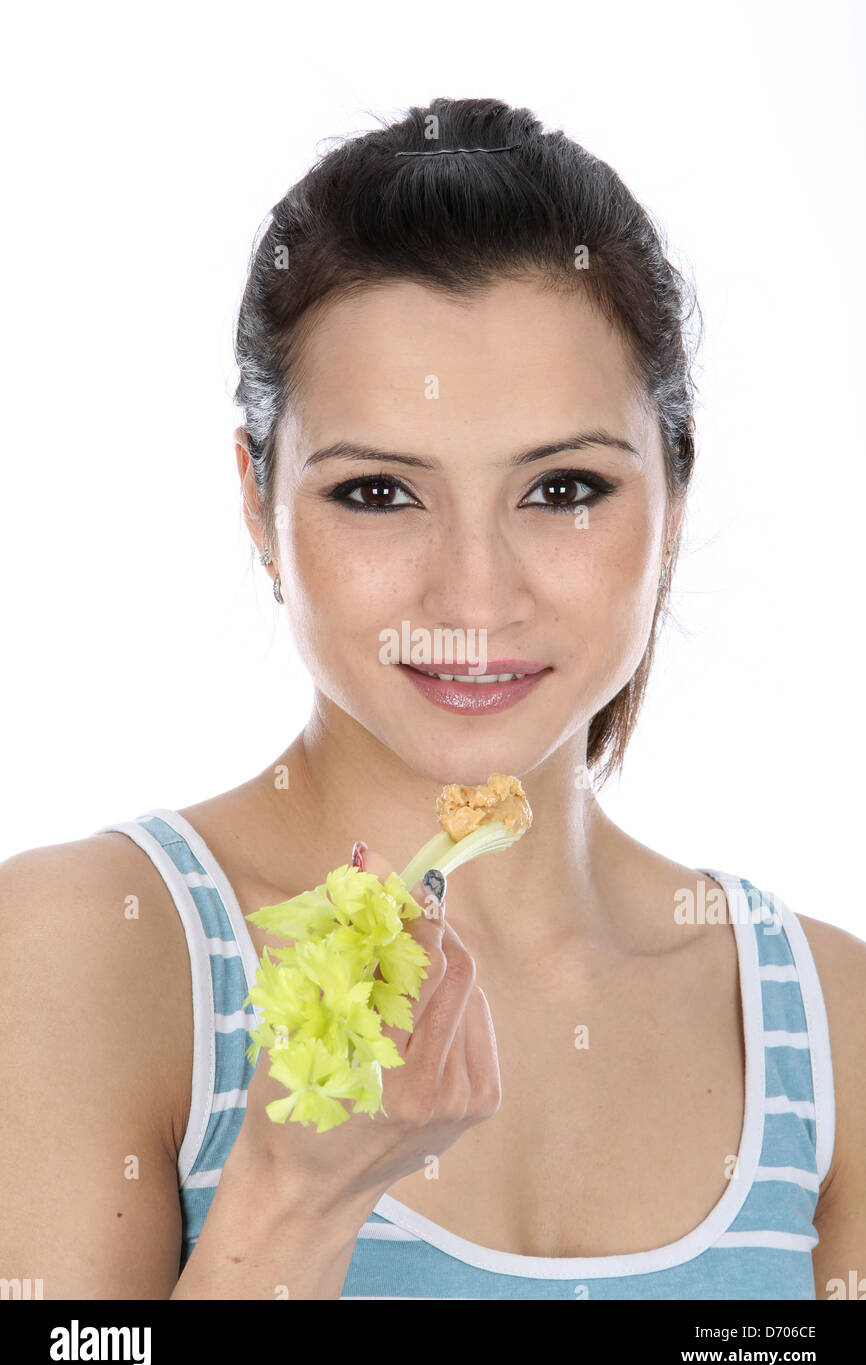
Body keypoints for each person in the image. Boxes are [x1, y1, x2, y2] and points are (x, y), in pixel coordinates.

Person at [1, 97, 863, 1302]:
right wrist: (288, 1206)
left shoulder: (826, 1030)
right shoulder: (79, 953)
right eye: (377, 493)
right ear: (258, 503)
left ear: (672, 491)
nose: (471, 593)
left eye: (561, 488)